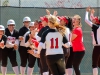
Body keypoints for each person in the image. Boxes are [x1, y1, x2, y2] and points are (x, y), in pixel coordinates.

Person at [85, 7, 100, 75]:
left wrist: (87, 12)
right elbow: (92, 20)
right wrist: (92, 14)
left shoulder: (96, 27)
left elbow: (86, 20)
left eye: (94, 20)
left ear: (96, 22)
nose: (92, 20)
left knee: (94, 64)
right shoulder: (97, 27)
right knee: (99, 64)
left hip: (97, 47)